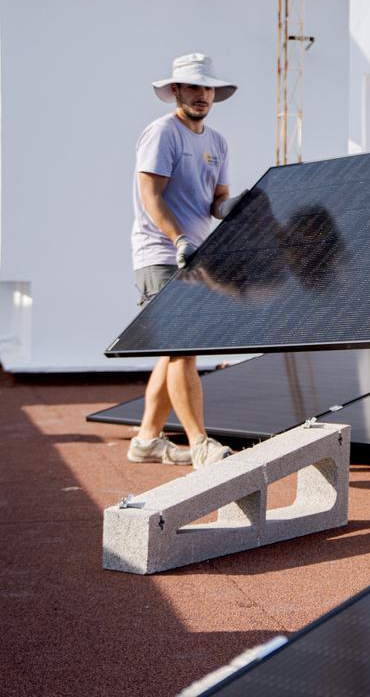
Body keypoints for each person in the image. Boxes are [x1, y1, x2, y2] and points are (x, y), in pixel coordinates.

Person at [128, 52, 243, 469]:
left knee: (173, 352)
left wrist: (235, 207)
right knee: (184, 349)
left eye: (207, 88)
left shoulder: (217, 143)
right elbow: (151, 196)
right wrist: (177, 238)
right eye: (193, 87)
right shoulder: (162, 133)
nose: (202, 95)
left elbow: (216, 202)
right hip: (159, 253)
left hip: (197, 256)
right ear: (175, 90)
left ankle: (145, 441)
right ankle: (200, 444)